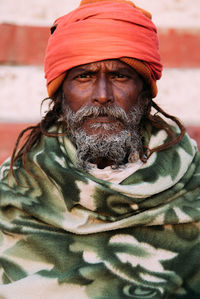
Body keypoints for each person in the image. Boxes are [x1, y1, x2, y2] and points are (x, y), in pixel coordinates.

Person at [0, 0, 200, 298]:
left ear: (144, 91)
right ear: (61, 93)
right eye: (84, 76)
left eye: (120, 76)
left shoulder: (192, 186)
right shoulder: (15, 189)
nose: (103, 96)